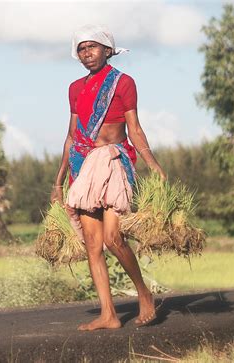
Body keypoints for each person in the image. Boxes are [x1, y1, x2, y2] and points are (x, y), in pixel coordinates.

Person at [51, 24, 166, 331]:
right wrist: (59, 181)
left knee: (114, 238)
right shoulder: (75, 89)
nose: (87, 53)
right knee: (92, 243)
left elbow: (135, 129)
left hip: (114, 162)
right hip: (83, 165)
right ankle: (108, 314)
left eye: (92, 47)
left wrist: (153, 164)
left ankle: (144, 294)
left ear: (107, 50)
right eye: (81, 49)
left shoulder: (123, 82)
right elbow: (71, 136)